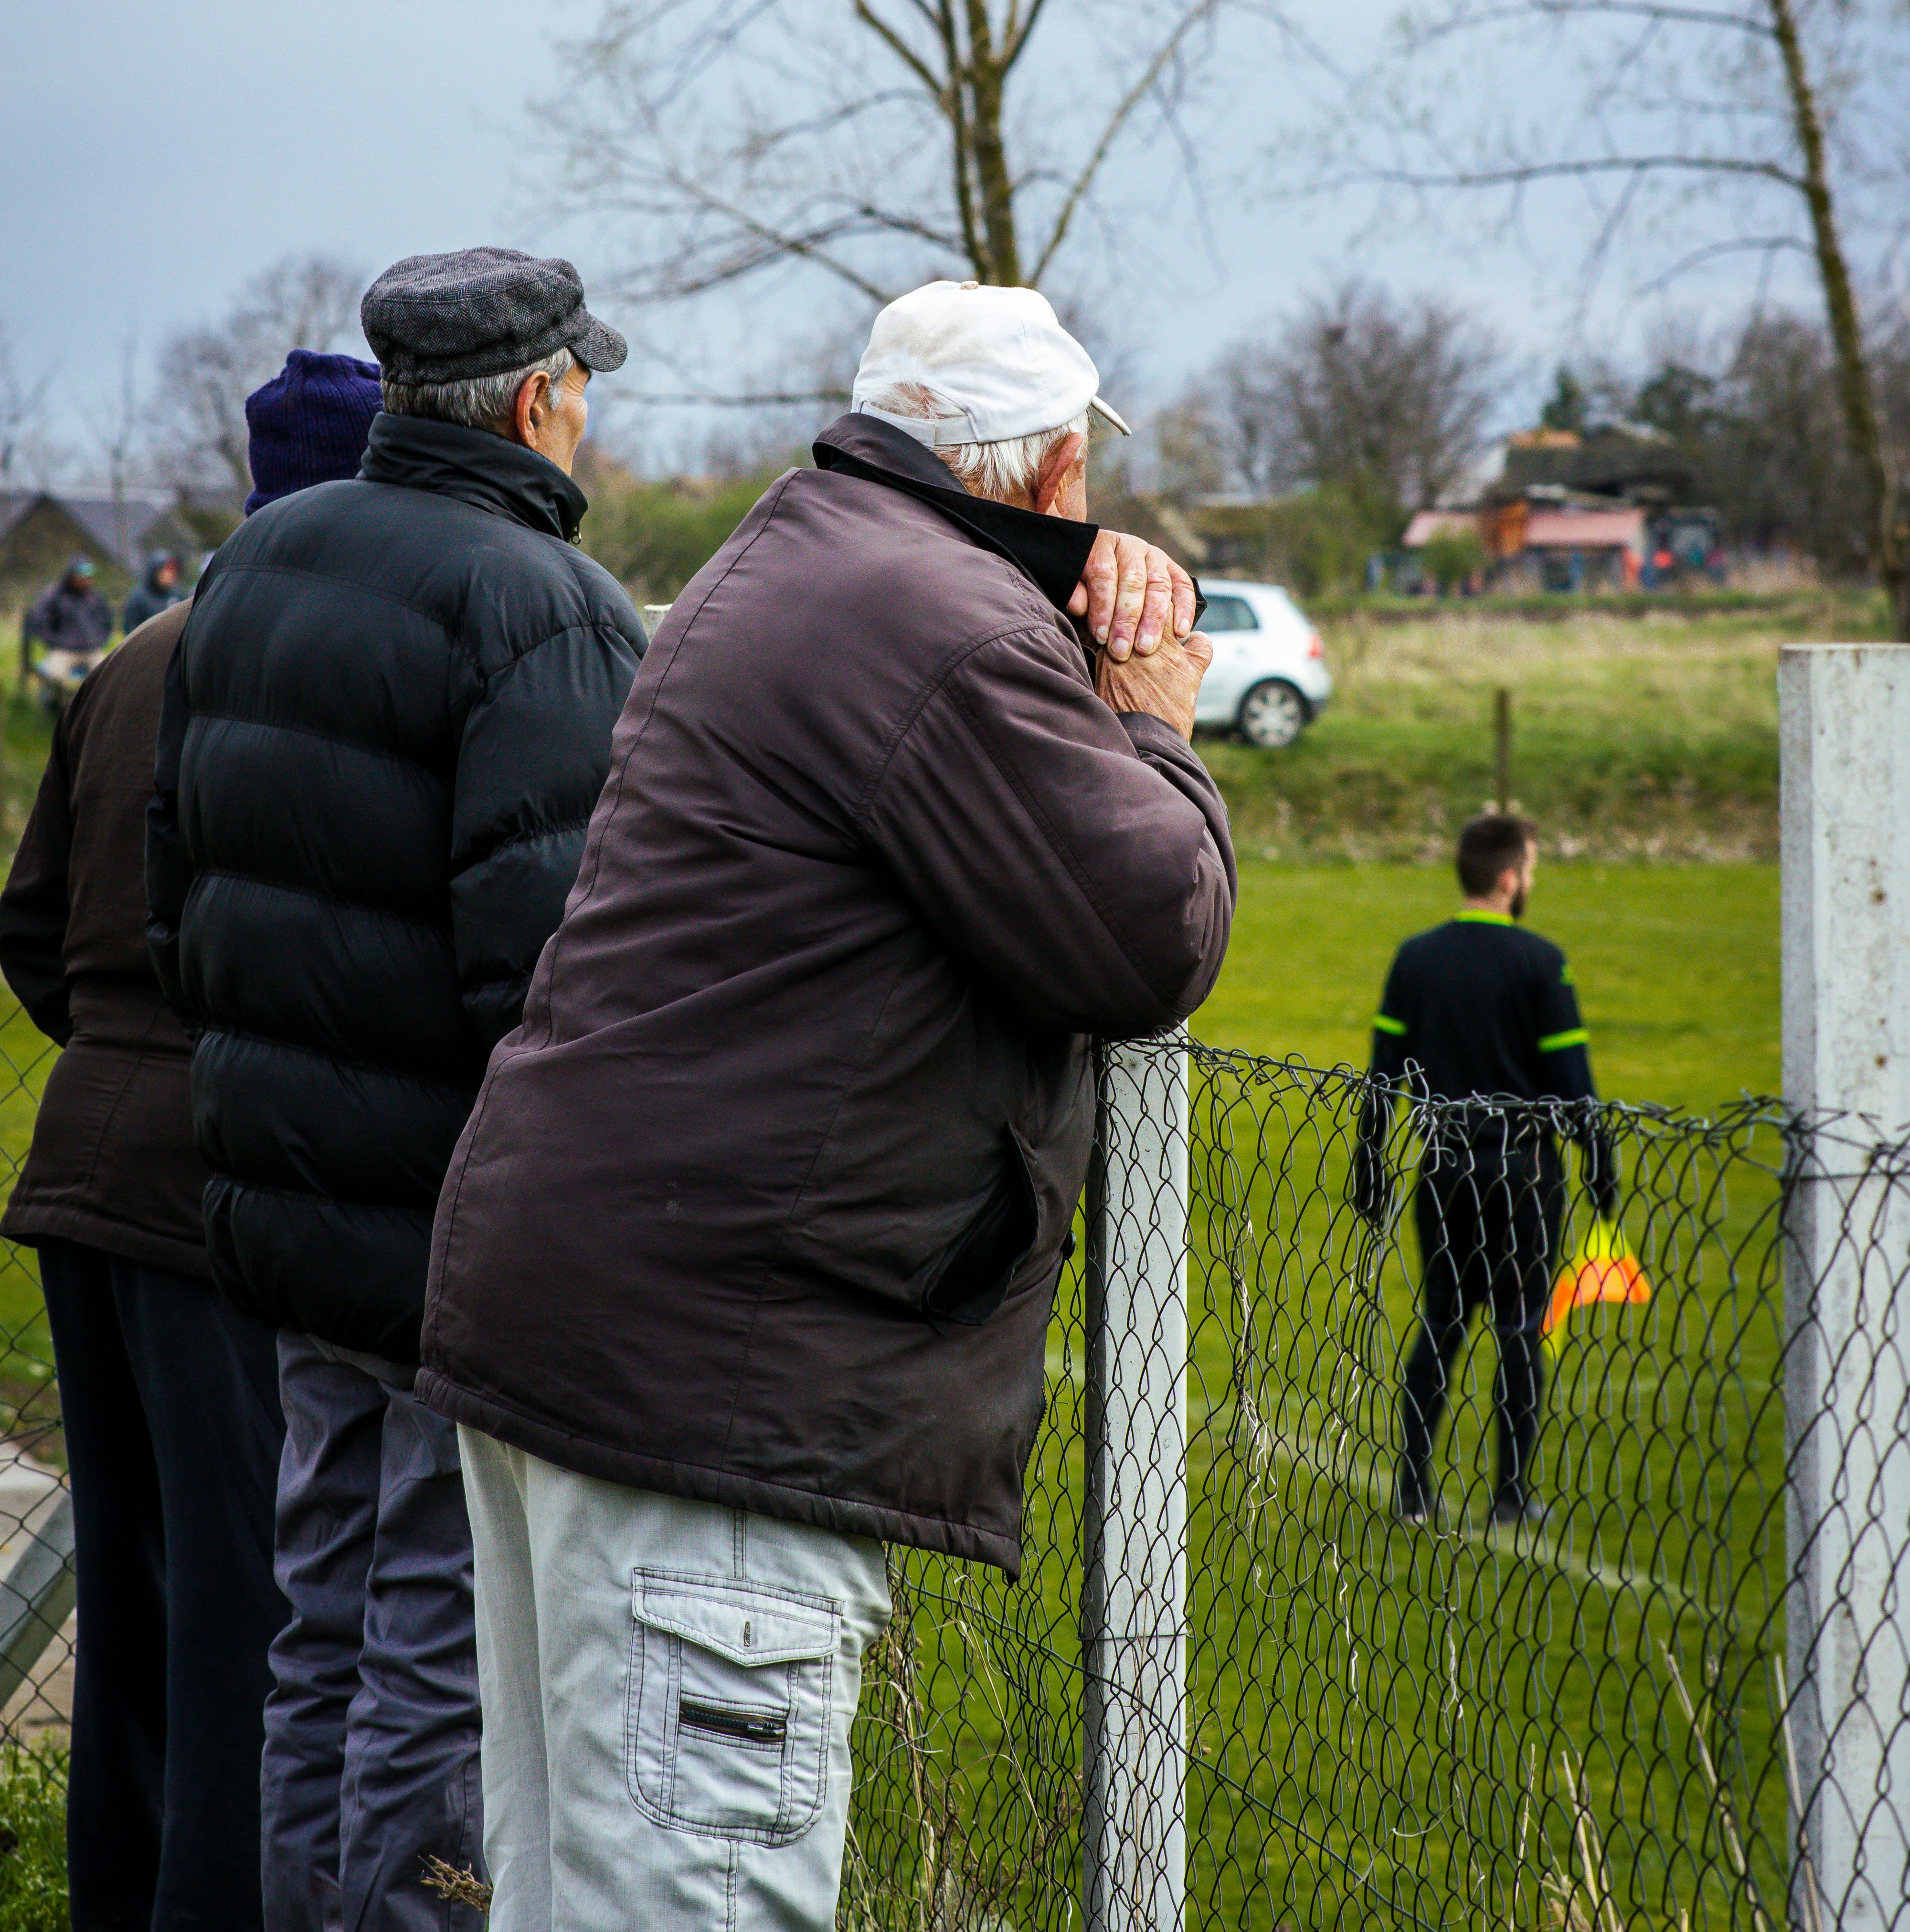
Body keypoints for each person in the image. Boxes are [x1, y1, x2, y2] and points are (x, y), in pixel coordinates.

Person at [417, 277, 1235, 1932]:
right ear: (1043, 465)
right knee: (699, 1900)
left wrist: (1069, 597)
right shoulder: (939, 632)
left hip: (601, 1332)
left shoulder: (811, 557)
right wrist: (1153, 726)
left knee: (576, 1898)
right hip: (717, 1395)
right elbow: (1149, 932)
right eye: (1079, 477)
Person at [147, 256, 647, 1932]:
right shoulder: (541, 603)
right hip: (443, 1225)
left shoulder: (250, 566)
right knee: (439, 1651)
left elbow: (176, 902)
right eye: (586, 386)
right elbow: (556, 970)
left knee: (321, 1631)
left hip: (280, 1201)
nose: (590, 417)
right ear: (535, 400)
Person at [0, 352, 380, 1932]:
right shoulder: (311, 660)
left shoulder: (136, 655)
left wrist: (112, 1036)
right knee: (243, 1617)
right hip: (213, 1185)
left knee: (141, 1615)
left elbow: (24, 927)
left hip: (83, 1166)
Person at [1355, 812, 1617, 1530]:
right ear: (1509, 879)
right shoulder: (1541, 962)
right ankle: (1510, 1493)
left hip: (1442, 1168)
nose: (1530, 880)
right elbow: (1573, 1085)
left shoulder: (1416, 959)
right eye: (1530, 869)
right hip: (1525, 1172)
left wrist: (1370, 1155)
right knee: (1521, 1328)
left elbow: (1385, 1076)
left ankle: (1412, 1489)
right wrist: (1600, 1161)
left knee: (1441, 1319)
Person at [20, 557, 114, 707]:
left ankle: (94, 711)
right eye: (81, 577)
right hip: (63, 651)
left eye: (89, 577)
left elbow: (107, 622)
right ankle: (61, 707)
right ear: (71, 576)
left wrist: (99, 640)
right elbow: (38, 622)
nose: (86, 581)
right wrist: (55, 641)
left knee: (110, 674)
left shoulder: (96, 597)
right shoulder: (54, 595)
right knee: (55, 675)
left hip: (92, 650)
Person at [121, 550, 185, 634]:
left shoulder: (178, 595)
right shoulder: (138, 599)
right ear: (155, 571)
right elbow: (130, 630)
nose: (171, 574)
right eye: (166, 570)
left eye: (172, 570)